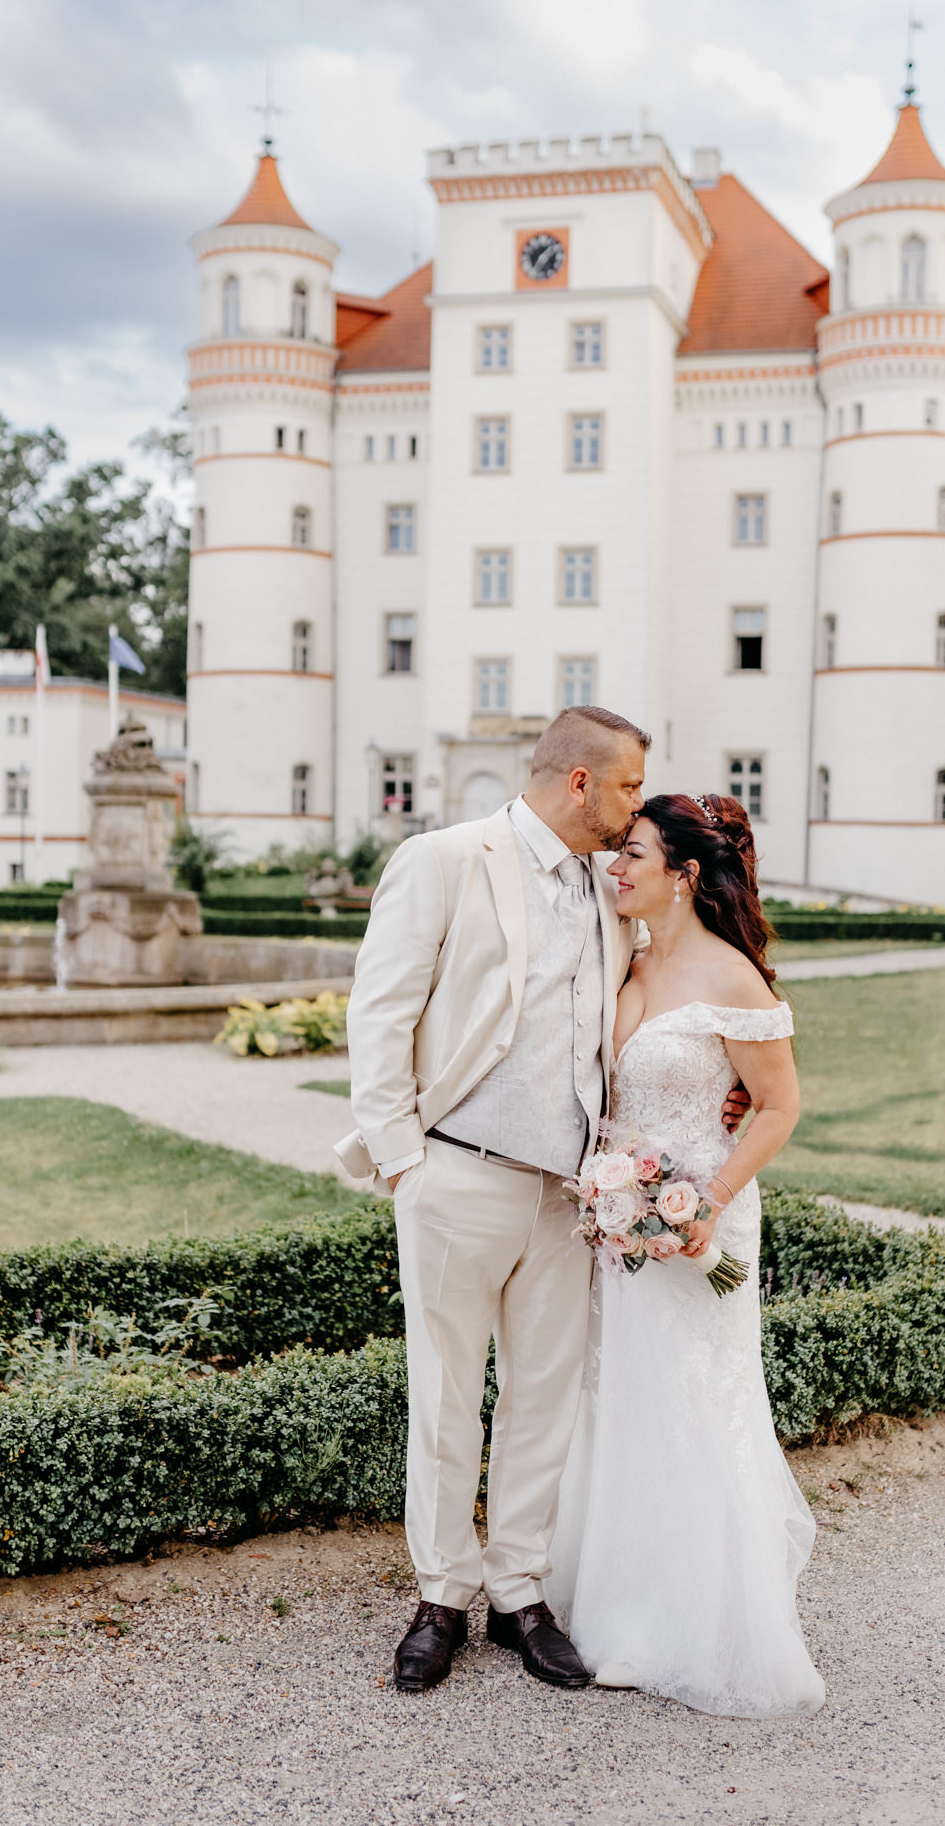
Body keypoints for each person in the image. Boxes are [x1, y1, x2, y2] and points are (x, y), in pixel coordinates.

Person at [336, 707, 650, 1693]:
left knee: (541, 1397)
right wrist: (402, 1162)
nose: (636, 807)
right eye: (629, 787)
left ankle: (519, 1592)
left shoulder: (611, 888)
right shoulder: (443, 859)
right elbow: (380, 1011)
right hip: (455, 1173)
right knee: (442, 1398)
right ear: (579, 784)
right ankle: (440, 1595)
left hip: (568, 1193)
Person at [547, 791, 826, 1717]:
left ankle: (695, 1622)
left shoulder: (733, 980)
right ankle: (609, 1606)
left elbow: (778, 1105)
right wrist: (617, 1190)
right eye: (616, 851)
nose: (613, 866)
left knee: (690, 1398)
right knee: (616, 1391)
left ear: (685, 874)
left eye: (631, 853)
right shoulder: (618, 957)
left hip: (699, 1219)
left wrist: (703, 1199)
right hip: (618, 1218)